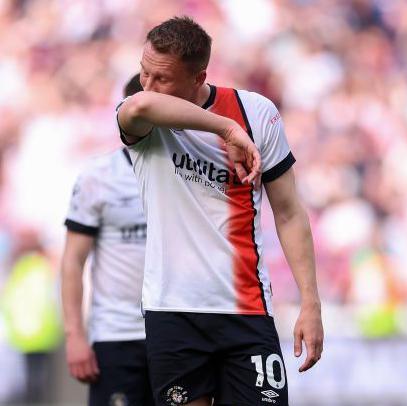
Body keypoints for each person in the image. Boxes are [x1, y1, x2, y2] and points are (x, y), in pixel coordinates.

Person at [116, 16, 323, 406]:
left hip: (246, 309)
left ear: (198, 78)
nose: (148, 84)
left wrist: (310, 302)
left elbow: (290, 212)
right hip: (173, 311)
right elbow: (141, 104)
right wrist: (225, 130)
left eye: (162, 78)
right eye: (144, 72)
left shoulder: (257, 113)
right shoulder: (143, 119)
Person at [61, 74, 153, 405]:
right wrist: (75, 336)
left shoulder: (188, 174)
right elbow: (73, 260)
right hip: (117, 336)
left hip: (179, 333)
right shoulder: (98, 176)